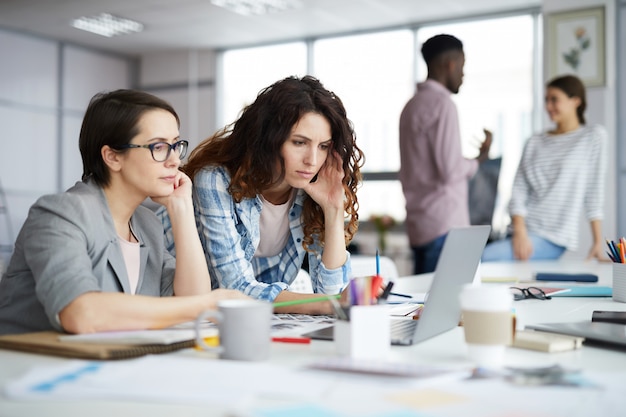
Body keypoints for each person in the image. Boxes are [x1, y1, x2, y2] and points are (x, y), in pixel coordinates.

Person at [0, 89, 246, 335]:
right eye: (159, 147)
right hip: (29, 366)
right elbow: (81, 314)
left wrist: (180, 208)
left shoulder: (147, 224)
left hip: (108, 365)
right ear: (112, 157)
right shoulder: (60, 213)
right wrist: (208, 303)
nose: (174, 161)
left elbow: (193, 302)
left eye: (176, 145)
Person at [159, 75, 364, 314]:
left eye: (323, 146)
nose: (313, 160)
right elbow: (235, 288)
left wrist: (333, 209)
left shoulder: (307, 190)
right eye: (299, 143)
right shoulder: (216, 181)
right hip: (174, 310)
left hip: (245, 318)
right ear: (268, 140)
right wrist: (330, 303)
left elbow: (333, 293)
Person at [482, 74, 607, 261]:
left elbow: (593, 192)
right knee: (469, 257)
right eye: (546, 100)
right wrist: (520, 233)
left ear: (576, 101)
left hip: (553, 237)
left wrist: (597, 242)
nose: (548, 106)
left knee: (483, 258)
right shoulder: (534, 141)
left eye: (554, 100)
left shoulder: (592, 137)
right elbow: (519, 190)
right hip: (519, 231)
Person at [399, 34, 492, 275]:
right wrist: (477, 161)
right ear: (450, 64)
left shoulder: (411, 106)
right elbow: (450, 171)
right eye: (462, 66)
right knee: (445, 307)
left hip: (419, 225)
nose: (463, 74)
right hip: (444, 228)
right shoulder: (443, 105)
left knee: (422, 305)